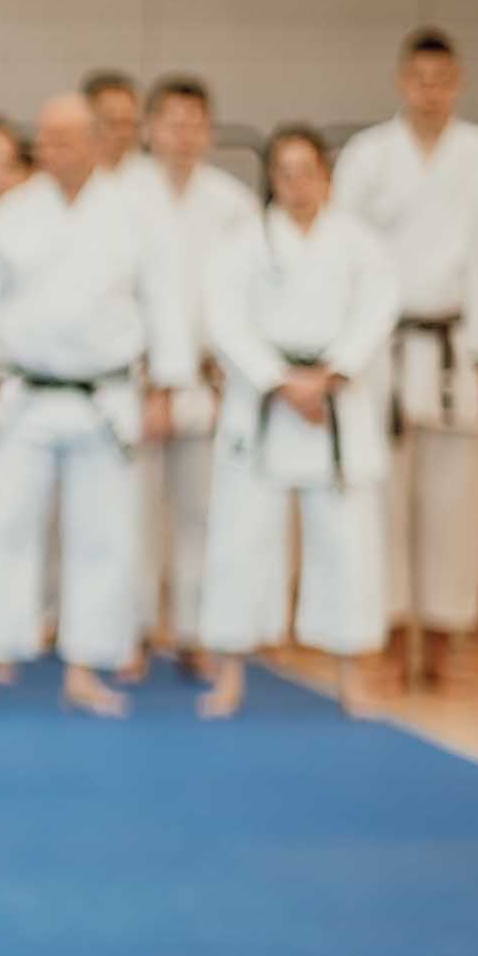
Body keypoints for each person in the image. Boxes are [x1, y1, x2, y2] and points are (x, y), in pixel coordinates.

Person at [0, 95, 195, 717]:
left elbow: (166, 300)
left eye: (66, 138)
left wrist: (166, 386)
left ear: (94, 142)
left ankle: (86, 666)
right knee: (0, 527)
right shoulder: (14, 213)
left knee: (103, 535)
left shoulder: (134, 213)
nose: (53, 150)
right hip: (25, 393)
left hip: (105, 395)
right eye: (46, 140)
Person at [195, 129, 399, 719]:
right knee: (239, 540)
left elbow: (378, 309)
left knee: (348, 545)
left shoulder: (360, 243)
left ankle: (352, 677)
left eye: (307, 170)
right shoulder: (241, 244)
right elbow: (223, 317)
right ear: (272, 179)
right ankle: (230, 674)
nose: (297, 182)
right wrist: (278, 380)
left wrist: (332, 374)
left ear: (326, 176)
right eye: (285, 172)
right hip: (264, 400)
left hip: (334, 398)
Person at [333, 30, 478, 687]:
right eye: (419, 78)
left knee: (456, 502)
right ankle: (385, 636)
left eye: (442, 79)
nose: (430, 91)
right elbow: (343, 254)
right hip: (384, 345)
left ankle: (444, 640)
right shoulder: (367, 154)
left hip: (459, 345)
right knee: (382, 498)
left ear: (459, 81)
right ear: (400, 81)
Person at [122, 78, 258, 682]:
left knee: (203, 511)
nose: (183, 134)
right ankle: (128, 632)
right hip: (135, 375)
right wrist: (147, 371)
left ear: (210, 130)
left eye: (195, 122)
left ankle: (199, 630)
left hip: (210, 377)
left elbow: (248, 296)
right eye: (171, 122)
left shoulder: (233, 203)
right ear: (148, 128)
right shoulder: (118, 195)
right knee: (131, 511)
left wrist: (233, 367)